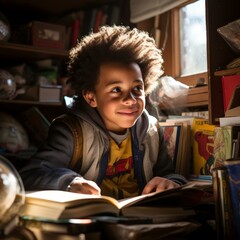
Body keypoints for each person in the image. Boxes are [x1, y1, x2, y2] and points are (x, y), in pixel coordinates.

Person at [20, 25, 187, 200]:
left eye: (137, 88)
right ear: (91, 97)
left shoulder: (151, 130)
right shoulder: (72, 131)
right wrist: (70, 182)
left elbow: (168, 173)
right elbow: (31, 174)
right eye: (116, 89)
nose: (130, 99)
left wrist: (171, 181)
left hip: (139, 218)